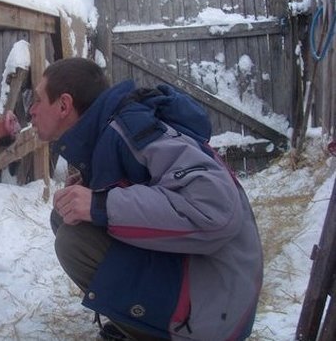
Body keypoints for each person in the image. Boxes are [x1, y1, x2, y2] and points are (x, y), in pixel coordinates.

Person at [28, 57, 263, 341]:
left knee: (74, 241)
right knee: (68, 214)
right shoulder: (110, 130)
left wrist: (101, 203)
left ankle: (160, 331)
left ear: (64, 105)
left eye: (37, 99)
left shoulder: (132, 128)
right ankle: (136, 322)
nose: (31, 110)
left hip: (217, 304)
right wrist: (96, 192)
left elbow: (216, 210)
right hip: (211, 286)